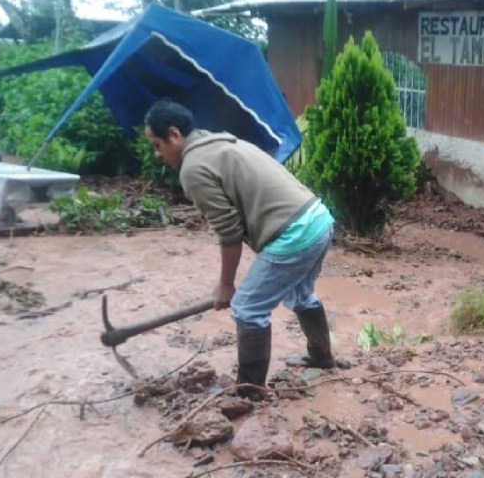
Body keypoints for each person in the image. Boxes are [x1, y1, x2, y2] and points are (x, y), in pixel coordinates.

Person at [143, 99, 341, 400]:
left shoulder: (194, 168)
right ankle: (322, 357)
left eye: (158, 145)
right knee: (300, 293)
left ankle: (249, 392)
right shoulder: (218, 143)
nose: (158, 154)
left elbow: (229, 232)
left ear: (174, 134)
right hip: (318, 219)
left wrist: (225, 284)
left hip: (295, 232)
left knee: (248, 308)